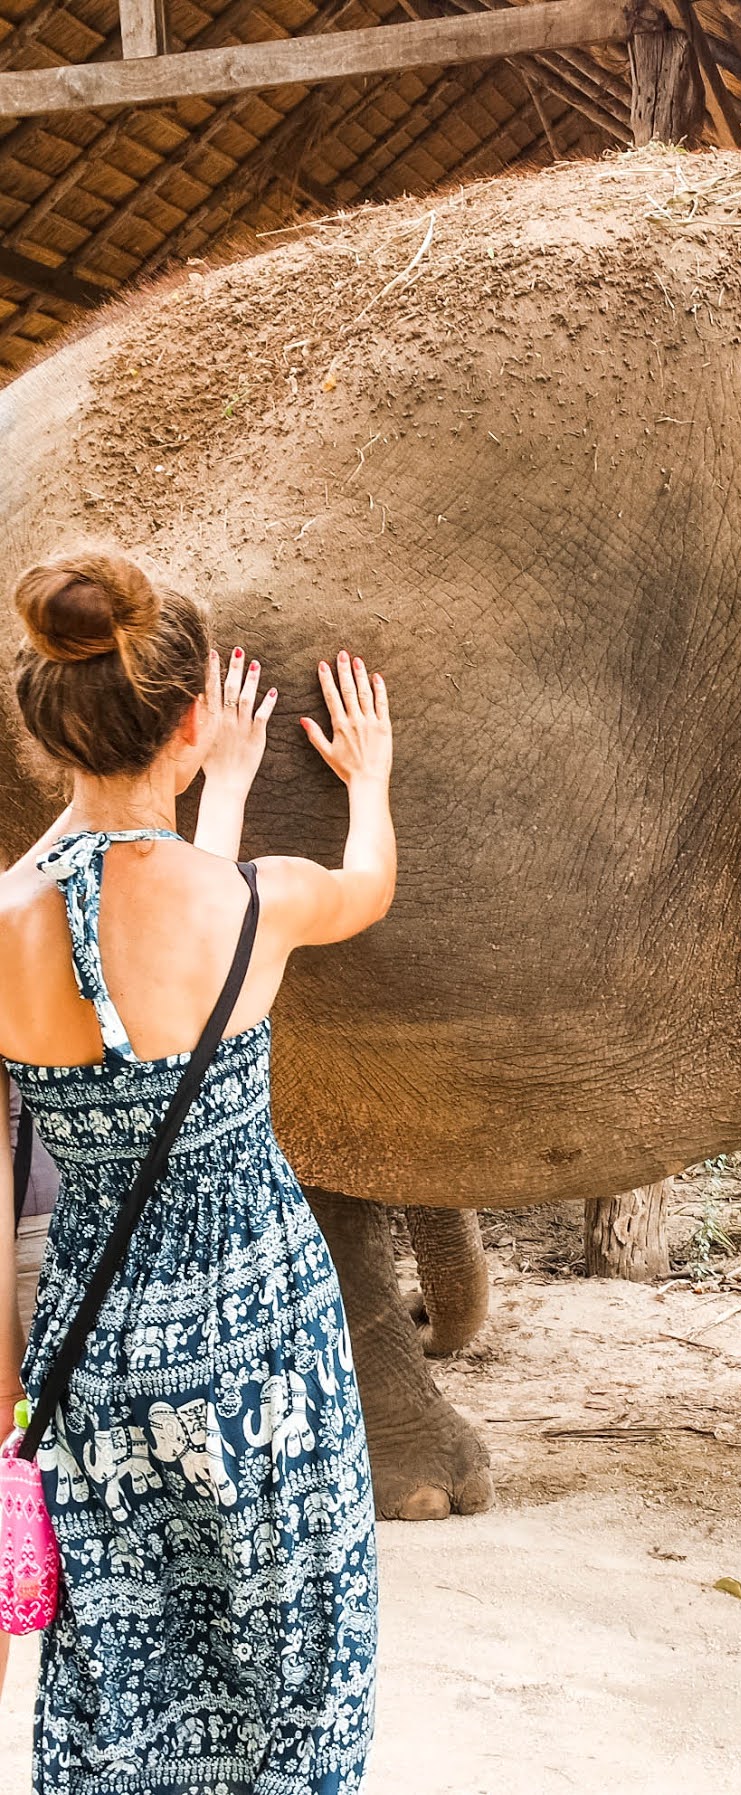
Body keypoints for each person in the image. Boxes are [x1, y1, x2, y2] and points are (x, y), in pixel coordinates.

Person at [0, 545, 395, 1793]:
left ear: (47, 734)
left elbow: (82, 887)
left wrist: (130, 782)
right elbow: (354, 890)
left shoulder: (2, 930)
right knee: (287, 1653)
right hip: (265, 1335)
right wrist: (366, 782)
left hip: (98, 1349)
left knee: (132, 1664)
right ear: (186, 722)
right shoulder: (252, 901)